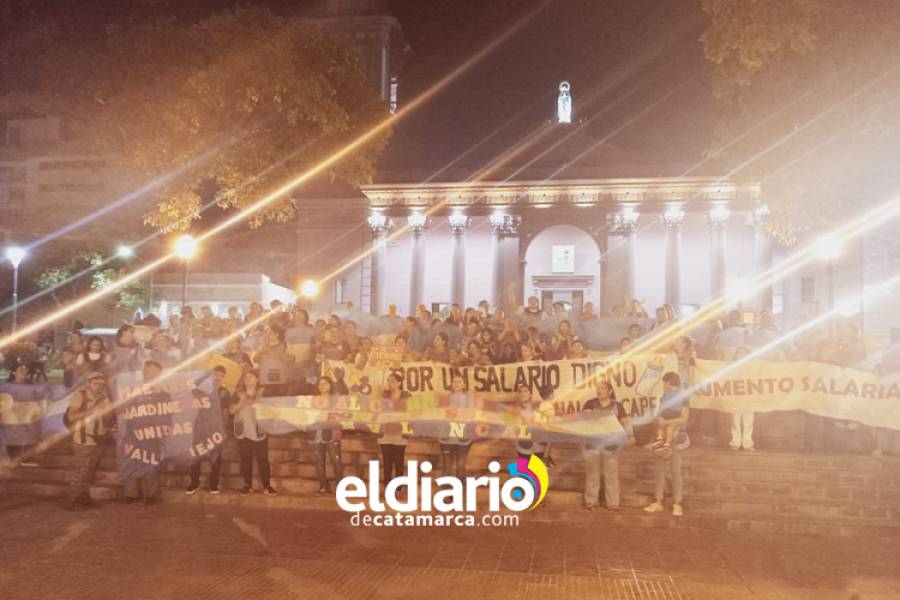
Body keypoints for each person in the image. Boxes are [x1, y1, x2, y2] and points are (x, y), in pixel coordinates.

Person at [644, 372, 690, 516]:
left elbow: (684, 419)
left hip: (676, 438)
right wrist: (659, 425)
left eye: (665, 382)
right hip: (662, 437)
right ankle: (658, 501)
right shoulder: (663, 397)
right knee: (659, 470)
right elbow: (658, 416)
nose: (664, 385)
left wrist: (668, 423)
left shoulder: (683, 397)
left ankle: (677, 503)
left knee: (675, 471)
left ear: (670, 382)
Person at [581, 379, 631, 511]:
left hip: (611, 445)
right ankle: (591, 502)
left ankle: (613, 504)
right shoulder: (590, 403)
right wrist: (605, 414)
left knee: (611, 476)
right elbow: (585, 416)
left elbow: (625, 422)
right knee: (592, 475)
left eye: (602, 388)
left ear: (610, 391)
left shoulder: (618, 405)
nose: (599, 390)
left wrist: (631, 435)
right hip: (593, 445)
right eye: (598, 388)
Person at [65, 371, 113, 508]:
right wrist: (91, 411)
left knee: (89, 470)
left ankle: (83, 497)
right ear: (88, 383)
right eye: (95, 384)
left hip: (98, 439)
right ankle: (74, 500)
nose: (98, 386)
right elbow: (71, 417)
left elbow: (108, 417)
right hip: (82, 439)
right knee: (81, 470)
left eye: (100, 384)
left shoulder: (103, 398)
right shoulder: (79, 396)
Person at [123, 361, 166, 506]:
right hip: (133, 434)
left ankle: (151, 495)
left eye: (155, 371)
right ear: (143, 371)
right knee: (132, 463)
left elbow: (167, 414)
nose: (150, 374)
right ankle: (130, 494)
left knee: (151, 463)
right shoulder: (132, 391)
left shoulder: (163, 394)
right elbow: (125, 411)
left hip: (153, 435)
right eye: (148, 370)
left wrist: (160, 432)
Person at [229, 369, 276, 496]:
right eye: (246, 377)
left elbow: (272, 409)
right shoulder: (238, 393)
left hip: (259, 430)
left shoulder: (264, 392)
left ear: (257, 379)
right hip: (243, 430)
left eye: (251, 376)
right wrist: (242, 402)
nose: (248, 379)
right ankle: (247, 485)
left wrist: (259, 405)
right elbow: (232, 410)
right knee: (245, 459)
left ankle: (267, 486)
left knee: (263, 459)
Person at [187, 366, 231, 494]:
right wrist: (206, 374)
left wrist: (224, 428)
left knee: (216, 455)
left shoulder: (224, 392)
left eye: (220, 375)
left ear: (224, 377)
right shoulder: (202, 390)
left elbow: (226, 411)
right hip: (200, 426)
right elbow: (192, 386)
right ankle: (194, 483)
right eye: (215, 374)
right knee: (196, 454)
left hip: (216, 427)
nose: (217, 377)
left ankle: (213, 484)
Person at [311, 376, 343, 494]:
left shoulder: (336, 399)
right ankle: (323, 486)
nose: (322, 386)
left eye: (325, 383)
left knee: (336, 460)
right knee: (319, 461)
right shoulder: (313, 400)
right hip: (317, 432)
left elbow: (340, 414)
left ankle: (340, 486)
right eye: (320, 384)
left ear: (330, 385)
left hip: (332, 432)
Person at [5, 363, 40, 467]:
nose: (24, 372)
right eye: (21, 370)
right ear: (14, 372)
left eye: (25, 370)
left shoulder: (30, 384)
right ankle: (14, 458)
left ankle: (27, 458)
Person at [440, 374, 473, 478]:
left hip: (463, 438)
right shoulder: (445, 399)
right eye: (454, 381)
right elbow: (440, 416)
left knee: (461, 466)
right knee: (447, 466)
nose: (456, 383)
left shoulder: (469, 399)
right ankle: (446, 491)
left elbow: (472, 416)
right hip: (447, 438)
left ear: (464, 385)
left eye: (459, 381)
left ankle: (459, 491)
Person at [379, 373, 409, 485]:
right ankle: (388, 488)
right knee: (387, 463)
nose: (389, 383)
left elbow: (412, 413)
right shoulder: (384, 396)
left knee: (398, 462)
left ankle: (399, 489)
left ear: (399, 383)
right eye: (388, 380)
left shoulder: (407, 396)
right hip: (386, 433)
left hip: (400, 433)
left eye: (392, 380)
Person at [729, 346, 756, 451]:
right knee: (735, 419)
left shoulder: (753, 366)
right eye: (739, 353)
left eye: (744, 353)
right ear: (736, 354)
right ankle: (735, 442)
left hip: (749, 395)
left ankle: (747, 443)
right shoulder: (731, 366)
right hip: (735, 395)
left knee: (748, 420)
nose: (741, 354)